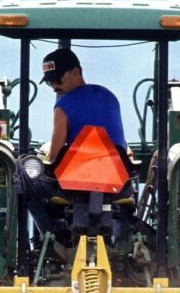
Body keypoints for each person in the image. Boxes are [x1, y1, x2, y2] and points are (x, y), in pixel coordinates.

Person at [16, 48, 131, 244]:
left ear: (76, 73)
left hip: (74, 187)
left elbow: (54, 157)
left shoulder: (63, 106)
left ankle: (54, 235)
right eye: (50, 82)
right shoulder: (110, 97)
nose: (54, 86)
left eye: (57, 80)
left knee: (24, 176)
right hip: (117, 184)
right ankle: (123, 240)